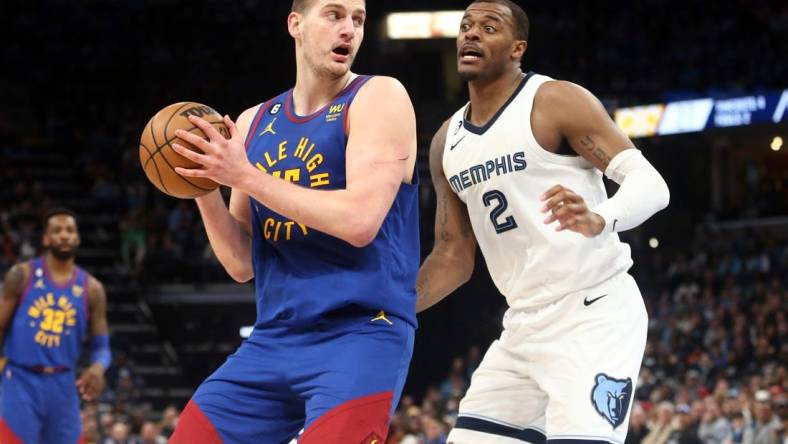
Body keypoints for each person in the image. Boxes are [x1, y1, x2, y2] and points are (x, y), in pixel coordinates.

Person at [415, 1, 670, 443]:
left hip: (594, 311)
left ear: (518, 48)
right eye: (466, 26)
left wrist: (600, 217)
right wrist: (390, 306)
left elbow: (651, 184)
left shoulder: (553, 100)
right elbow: (453, 255)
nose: (471, 34)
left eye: (488, 27)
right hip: (523, 325)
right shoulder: (446, 142)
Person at [167, 0, 419, 442]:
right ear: (295, 24)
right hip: (274, 337)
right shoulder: (254, 121)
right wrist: (202, 183)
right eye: (335, 15)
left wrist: (242, 174)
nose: (349, 30)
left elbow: (360, 221)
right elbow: (240, 263)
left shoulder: (379, 96)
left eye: (358, 19)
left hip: (360, 332)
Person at [0, 208, 111, 444]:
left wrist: (98, 368)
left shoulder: (93, 289)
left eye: (69, 230)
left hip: (63, 384)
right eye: (57, 230)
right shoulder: (21, 275)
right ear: (46, 239)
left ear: (77, 238)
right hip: (20, 380)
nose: (64, 235)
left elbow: (102, 346)